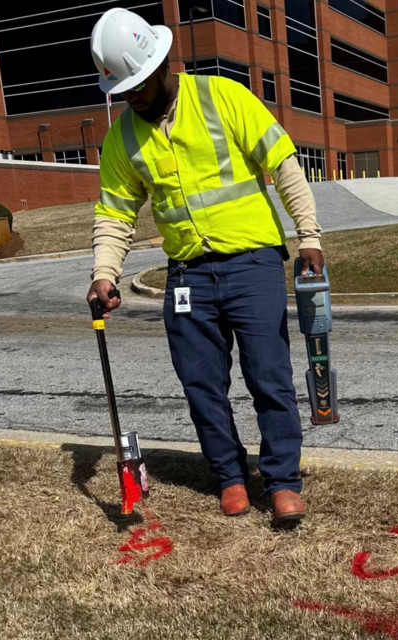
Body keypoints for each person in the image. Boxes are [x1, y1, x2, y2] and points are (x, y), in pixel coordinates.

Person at [85, 9, 324, 524]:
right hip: (187, 275)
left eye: (139, 85)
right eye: (123, 89)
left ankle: (282, 481)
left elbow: (282, 164)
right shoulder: (122, 139)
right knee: (201, 383)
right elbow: (114, 213)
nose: (132, 96)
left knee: (269, 377)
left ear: (163, 64)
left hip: (253, 263)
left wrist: (309, 236)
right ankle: (231, 478)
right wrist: (104, 273)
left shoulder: (223, 97)